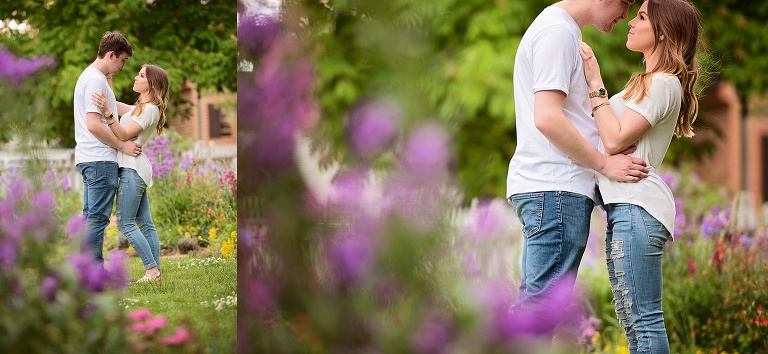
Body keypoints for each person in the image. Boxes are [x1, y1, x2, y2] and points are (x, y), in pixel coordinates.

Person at [506, 0, 650, 325]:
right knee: (538, 315)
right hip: (557, 190)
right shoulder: (557, 32)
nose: (625, 14)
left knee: (535, 308)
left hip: (553, 191)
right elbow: (547, 119)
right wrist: (603, 164)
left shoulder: (562, 30)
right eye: (625, 3)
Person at [579, 0, 702, 352]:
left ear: (662, 32)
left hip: (637, 208)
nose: (630, 22)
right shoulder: (649, 83)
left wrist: (595, 81)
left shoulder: (664, 83)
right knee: (634, 322)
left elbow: (615, 138)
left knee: (644, 322)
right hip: (625, 209)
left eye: (642, 16)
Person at [92, 64, 170, 283]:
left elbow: (124, 133)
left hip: (132, 169)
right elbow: (114, 104)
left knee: (126, 223)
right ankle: (156, 273)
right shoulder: (140, 107)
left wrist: (107, 114)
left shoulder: (150, 110)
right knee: (145, 223)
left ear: (152, 84)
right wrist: (105, 77)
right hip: (135, 168)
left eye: (141, 75)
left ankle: (152, 271)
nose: (136, 77)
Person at [74, 31, 141, 267]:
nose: (124, 66)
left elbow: (112, 106)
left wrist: (140, 110)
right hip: (99, 160)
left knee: (90, 218)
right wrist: (122, 144)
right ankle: (94, 274)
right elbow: (94, 124)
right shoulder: (95, 80)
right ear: (111, 54)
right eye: (122, 60)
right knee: (97, 219)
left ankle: (84, 272)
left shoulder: (94, 76)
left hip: (91, 159)